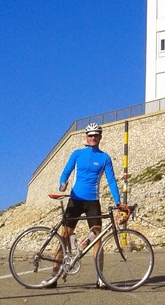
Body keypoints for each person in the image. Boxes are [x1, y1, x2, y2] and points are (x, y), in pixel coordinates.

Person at [45, 122, 122, 288]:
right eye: (90, 135)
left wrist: (118, 201)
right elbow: (66, 172)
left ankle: (100, 278)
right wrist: (62, 184)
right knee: (64, 236)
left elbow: (111, 180)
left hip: (92, 201)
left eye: (96, 135)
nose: (93, 137)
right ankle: (54, 275)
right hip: (75, 199)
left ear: (100, 137)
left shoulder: (104, 158)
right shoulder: (77, 154)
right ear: (86, 137)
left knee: (97, 239)